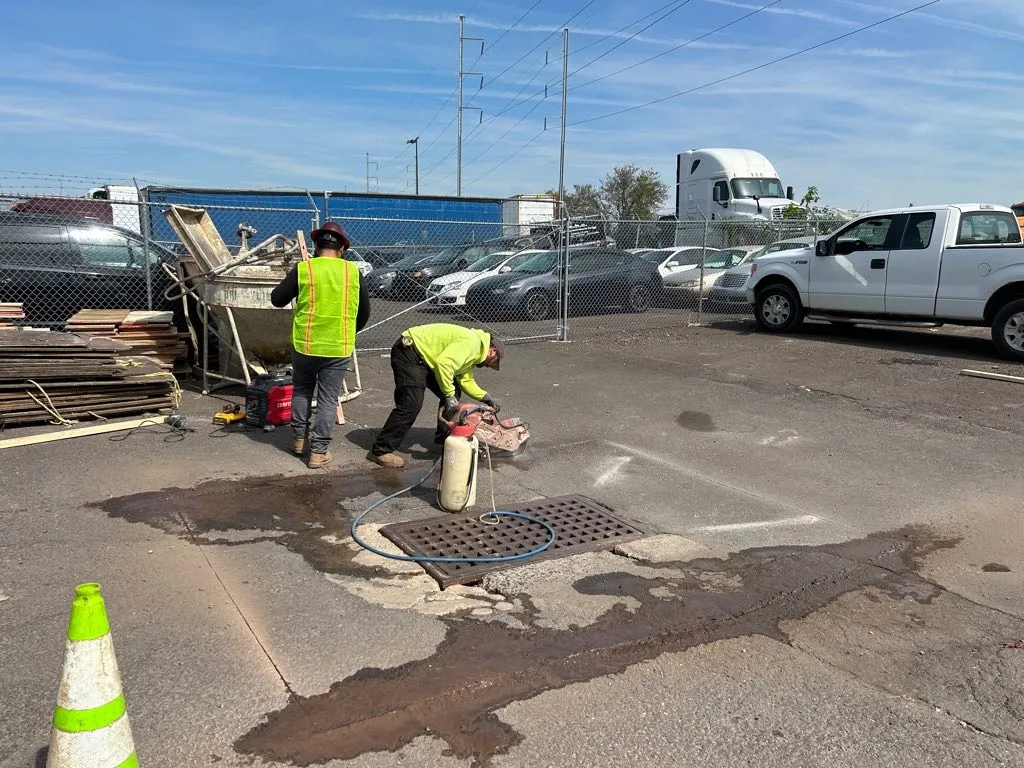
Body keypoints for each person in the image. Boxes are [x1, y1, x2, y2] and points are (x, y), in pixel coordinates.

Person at [271, 221, 370, 469]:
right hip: (337, 346)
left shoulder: (305, 269)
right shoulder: (352, 272)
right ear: (343, 249)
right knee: (328, 399)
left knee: (303, 390)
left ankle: (298, 441)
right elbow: (364, 312)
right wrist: (348, 331)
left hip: (305, 344)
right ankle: (318, 452)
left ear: (316, 245)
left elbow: (277, 299)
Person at [368, 323, 504, 468]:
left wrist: (486, 397)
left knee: (455, 391)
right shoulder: (471, 344)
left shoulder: (475, 352)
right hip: (409, 352)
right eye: (493, 362)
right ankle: (380, 451)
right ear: (492, 352)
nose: (489, 366)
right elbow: (444, 364)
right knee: (411, 403)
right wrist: (448, 395)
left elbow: (466, 381)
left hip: (424, 359)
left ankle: (442, 439)